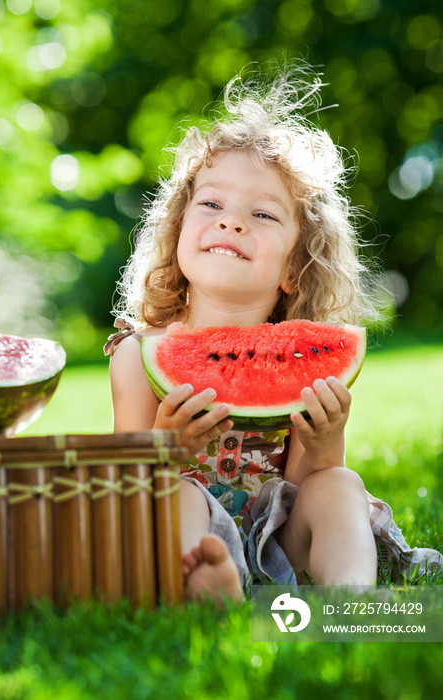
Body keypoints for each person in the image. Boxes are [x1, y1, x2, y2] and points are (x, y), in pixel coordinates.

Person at [104, 64, 443, 603]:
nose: (232, 222)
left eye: (262, 214)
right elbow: (127, 485)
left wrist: (325, 443)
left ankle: (350, 599)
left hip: (281, 536)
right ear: (177, 232)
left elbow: (305, 480)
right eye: (211, 204)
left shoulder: (303, 359)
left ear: (294, 268)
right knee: (176, 495)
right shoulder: (138, 356)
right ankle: (209, 583)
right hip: (188, 530)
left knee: (339, 485)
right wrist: (166, 447)